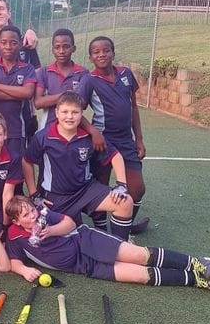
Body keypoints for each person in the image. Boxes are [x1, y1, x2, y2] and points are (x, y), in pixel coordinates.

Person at [5, 195, 210, 294]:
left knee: (140, 255)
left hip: (87, 241)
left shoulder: (43, 214)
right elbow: (13, 261)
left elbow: (69, 222)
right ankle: (195, 280)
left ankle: (197, 263)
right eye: (26, 215)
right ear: (16, 221)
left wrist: (51, 230)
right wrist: (24, 271)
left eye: (31, 210)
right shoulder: (14, 237)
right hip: (84, 266)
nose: (32, 216)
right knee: (141, 276)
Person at [23, 91, 134, 240]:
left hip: (85, 191)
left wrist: (121, 185)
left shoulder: (89, 137)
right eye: (65, 112)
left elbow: (115, 156)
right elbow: (27, 161)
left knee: (125, 202)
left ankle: (120, 244)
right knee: (47, 237)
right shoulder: (43, 137)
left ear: (81, 114)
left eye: (75, 112)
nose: (69, 116)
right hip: (55, 197)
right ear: (56, 113)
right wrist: (34, 194)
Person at [77, 36, 148, 234]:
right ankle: (100, 229)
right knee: (100, 187)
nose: (102, 54)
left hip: (126, 141)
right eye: (96, 52)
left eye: (106, 50)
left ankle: (127, 223)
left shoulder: (126, 74)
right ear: (90, 57)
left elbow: (133, 107)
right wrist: (93, 132)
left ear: (113, 53)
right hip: (102, 141)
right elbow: (77, 111)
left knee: (137, 188)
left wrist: (139, 139)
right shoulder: (89, 80)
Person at [0, 0, 41, 142]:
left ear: (9, 13)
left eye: (2, 8)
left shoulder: (26, 43)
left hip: (22, 118)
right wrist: (19, 94)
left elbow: (33, 85)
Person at [0, 25, 37, 155]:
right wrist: (18, 94)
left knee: (16, 164)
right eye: (4, 42)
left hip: (17, 130)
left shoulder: (27, 68)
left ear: (20, 45)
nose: (8, 47)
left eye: (13, 43)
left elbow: (28, 93)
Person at [34, 28, 88, 128]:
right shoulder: (44, 72)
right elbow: (38, 103)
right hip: (48, 129)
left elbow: (83, 104)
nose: (61, 51)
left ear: (73, 48)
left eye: (66, 47)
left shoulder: (82, 73)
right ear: (52, 49)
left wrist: (51, 99)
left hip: (74, 129)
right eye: (57, 47)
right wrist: (67, 95)